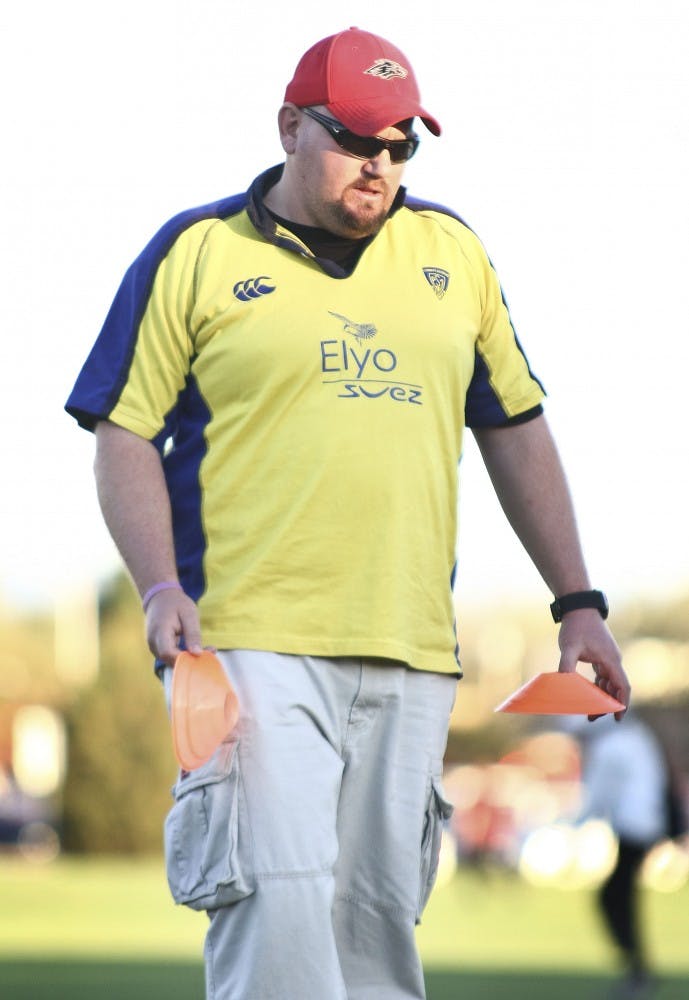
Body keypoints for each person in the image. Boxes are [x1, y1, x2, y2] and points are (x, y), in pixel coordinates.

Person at [65, 26, 631, 1000]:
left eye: (400, 143)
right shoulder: (197, 252)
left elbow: (515, 430)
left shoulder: (451, 252)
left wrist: (575, 600)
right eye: (355, 138)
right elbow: (123, 432)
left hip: (411, 653)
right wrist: (158, 584)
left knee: (375, 952)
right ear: (290, 127)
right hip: (245, 643)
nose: (379, 164)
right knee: (280, 944)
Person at [575, 713, 671, 998]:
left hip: (634, 827)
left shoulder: (610, 746)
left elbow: (596, 795)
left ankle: (638, 969)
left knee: (615, 897)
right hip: (647, 822)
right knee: (620, 896)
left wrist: (571, 823)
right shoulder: (636, 736)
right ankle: (637, 968)